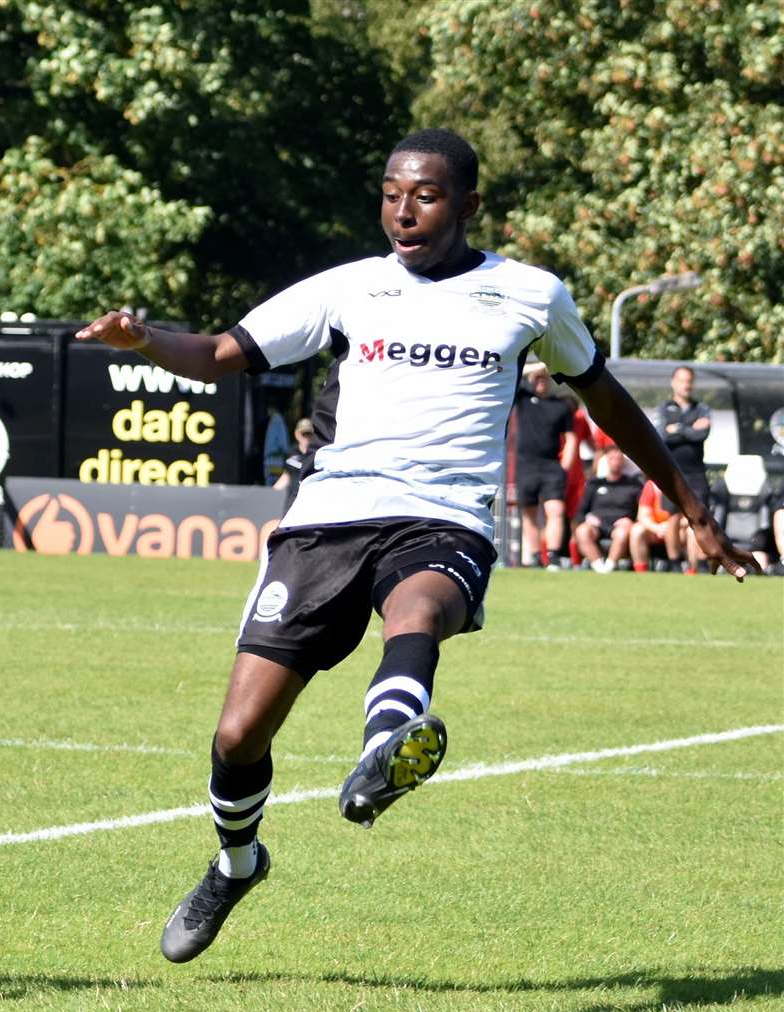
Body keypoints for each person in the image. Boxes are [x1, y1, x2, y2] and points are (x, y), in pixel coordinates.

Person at [75, 127, 755, 966]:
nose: (404, 210)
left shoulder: (530, 295)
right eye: (392, 193)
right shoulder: (349, 289)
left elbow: (606, 401)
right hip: (329, 514)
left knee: (421, 606)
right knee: (236, 735)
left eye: (425, 195)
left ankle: (383, 750)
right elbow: (220, 354)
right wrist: (143, 339)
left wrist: (690, 507)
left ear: (467, 204)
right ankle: (235, 864)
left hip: (443, 515)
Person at [513, 362, 579, 570]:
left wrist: (564, 467)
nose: (541, 381)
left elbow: (571, 438)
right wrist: (536, 367)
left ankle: (552, 556)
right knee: (529, 513)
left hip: (551, 467)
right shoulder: (522, 399)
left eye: (544, 377)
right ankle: (534, 557)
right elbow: (513, 371)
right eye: (537, 378)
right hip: (526, 466)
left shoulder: (560, 406)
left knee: (556, 510)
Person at [656, 365, 713, 571]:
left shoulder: (702, 409)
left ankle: (700, 563)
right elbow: (661, 435)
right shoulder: (664, 408)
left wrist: (678, 429)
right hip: (671, 473)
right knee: (672, 517)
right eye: (682, 380)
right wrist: (689, 429)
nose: (686, 385)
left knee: (699, 518)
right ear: (673, 382)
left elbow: (702, 435)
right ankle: (674, 563)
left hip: (697, 474)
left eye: (689, 381)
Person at [572, 446, 642, 572]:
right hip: (597, 525)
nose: (615, 462)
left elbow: (641, 510)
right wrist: (587, 519)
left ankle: (610, 566)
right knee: (582, 531)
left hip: (620, 525)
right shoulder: (594, 484)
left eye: (618, 458)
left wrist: (631, 520)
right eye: (612, 458)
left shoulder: (634, 485)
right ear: (606, 460)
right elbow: (580, 512)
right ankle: (598, 566)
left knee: (622, 533)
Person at [272, 417, 315, 512]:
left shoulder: (318, 455)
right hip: (292, 502)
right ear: (297, 435)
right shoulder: (290, 454)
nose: (307, 438)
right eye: (304, 434)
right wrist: (270, 493)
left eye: (309, 434)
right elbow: (286, 476)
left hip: (311, 501)